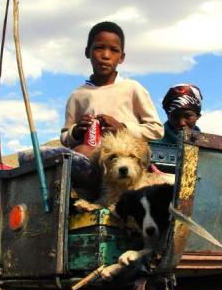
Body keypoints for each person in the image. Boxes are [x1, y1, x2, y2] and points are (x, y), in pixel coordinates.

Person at [59, 21, 163, 196]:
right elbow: (64, 135)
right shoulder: (78, 95)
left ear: (121, 57)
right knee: (82, 151)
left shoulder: (132, 88)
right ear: (87, 52)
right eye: (99, 48)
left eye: (113, 50)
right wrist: (76, 131)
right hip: (96, 165)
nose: (106, 55)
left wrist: (122, 127)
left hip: (127, 164)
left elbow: (156, 129)